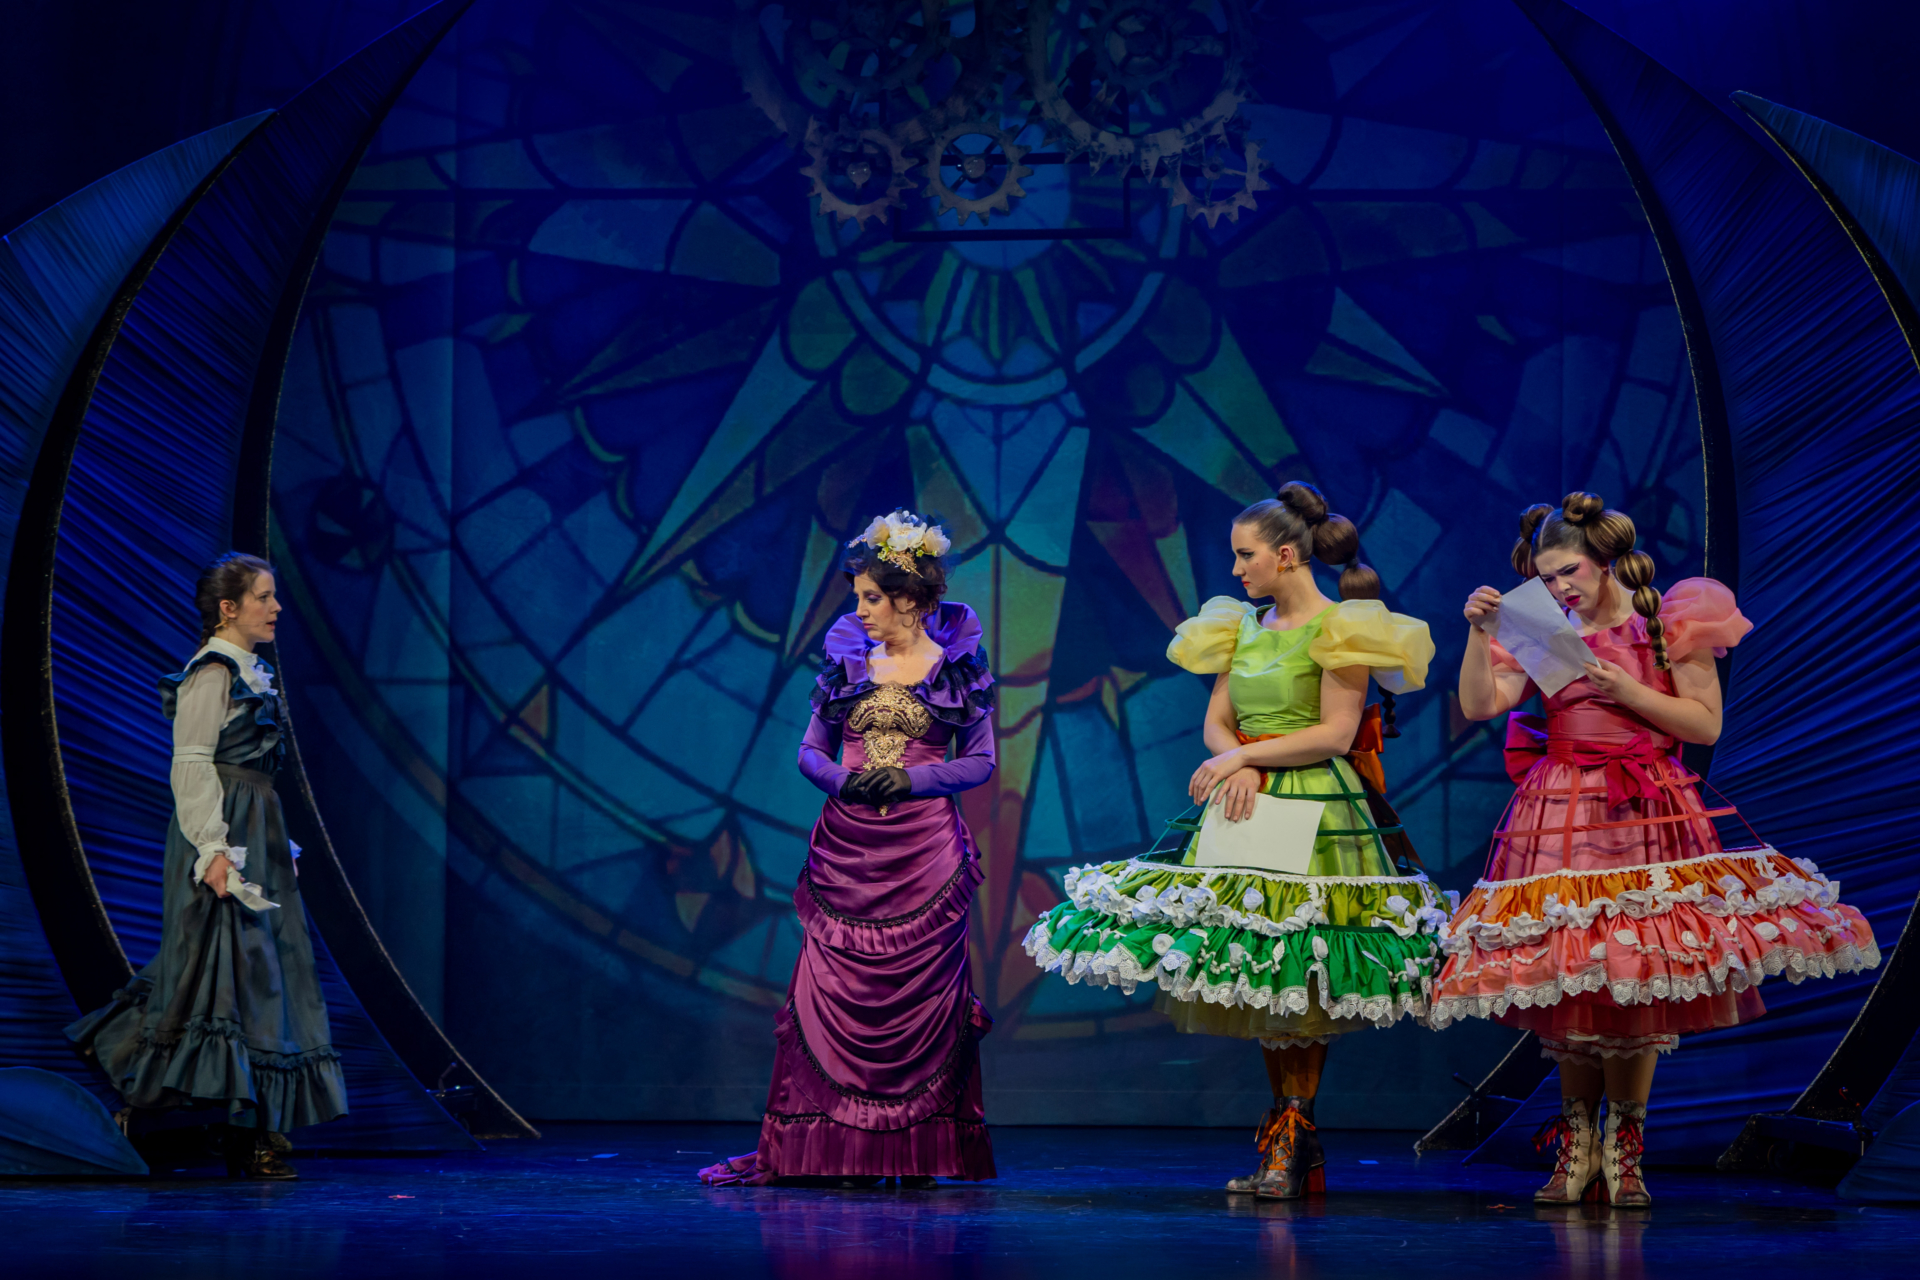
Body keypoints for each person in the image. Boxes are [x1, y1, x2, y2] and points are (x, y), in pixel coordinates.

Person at [1429, 493, 1880, 1207]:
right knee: (1572, 974)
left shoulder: (1667, 623)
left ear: (1605, 561)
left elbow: (1703, 725)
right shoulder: (1542, 628)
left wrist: (1625, 688)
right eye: (1547, 578)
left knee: (1637, 972)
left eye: (1570, 571)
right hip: (1562, 807)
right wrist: (1481, 635)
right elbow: (1483, 705)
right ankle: (1577, 1142)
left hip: (1644, 806)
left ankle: (1626, 1144)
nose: (1560, 587)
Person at [1024, 482, 1443, 1199]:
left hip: (1315, 807)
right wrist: (1236, 761)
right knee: (1257, 966)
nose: (1236, 568)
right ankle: (1286, 1137)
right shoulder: (1239, 626)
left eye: (1246, 555)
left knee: (1300, 969)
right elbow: (1217, 721)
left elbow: (1335, 733)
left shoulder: (1342, 627)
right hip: (1246, 801)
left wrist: (1247, 757)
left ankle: (1295, 1135)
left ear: (1287, 555)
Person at [700, 511, 997, 1187]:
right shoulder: (847, 661)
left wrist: (915, 779)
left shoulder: (956, 669)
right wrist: (844, 781)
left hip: (924, 857)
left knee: (921, 1001)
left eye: (871, 598)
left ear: (911, 599)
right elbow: (810, 751)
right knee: (833, 994)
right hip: (848, 853)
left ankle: (916, 1155)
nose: (859, 611)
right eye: (858, 598)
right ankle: (830, 1151)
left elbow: (980, 761)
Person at [67, 553, 347, 1179]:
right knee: (214, 971)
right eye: (263, 597)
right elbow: (192, 764)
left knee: (263, 976)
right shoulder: (212, 672)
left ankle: (252, 1126)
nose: (275, 608)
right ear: (228, 607)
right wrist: (214, 848)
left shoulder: (252, 672)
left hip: (256, 830)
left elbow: (255, 776)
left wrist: (278, 844)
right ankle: (167, 1111)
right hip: (221, 835)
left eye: (273, 596)